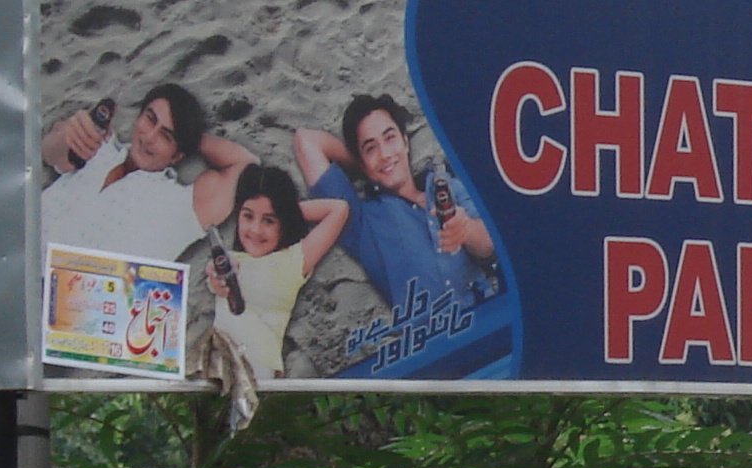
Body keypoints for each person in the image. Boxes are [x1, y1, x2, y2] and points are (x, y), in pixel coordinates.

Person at [291, 94, 499, 353]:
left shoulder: (447, 187)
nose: (384, 152)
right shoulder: (361, 222)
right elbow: (306, 142)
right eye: (370, 147)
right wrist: (372, 168)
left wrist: (465, 229)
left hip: (492, 323)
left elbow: (487, 246)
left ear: (405, 142)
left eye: (390, 138)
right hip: (435, 351)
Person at [38, 83, 257, 261]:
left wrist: (191, 137)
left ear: (177, 155)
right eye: (150, 119)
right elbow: (50, 151)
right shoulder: (98, 146)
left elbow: (245, 163)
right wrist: (68, 134)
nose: (149, 137)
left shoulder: (180, 206)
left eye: (166, 136)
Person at [201, 163, 348, 382]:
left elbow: (339, 209)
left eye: (269, 220)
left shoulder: (294, 260)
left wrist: (287, 208)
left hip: (257, 373)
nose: (256, 230)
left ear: (283, 222)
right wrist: (216, 280)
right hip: (216, 369)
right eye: (248, 216)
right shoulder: (228, 259)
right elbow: (214, 276)